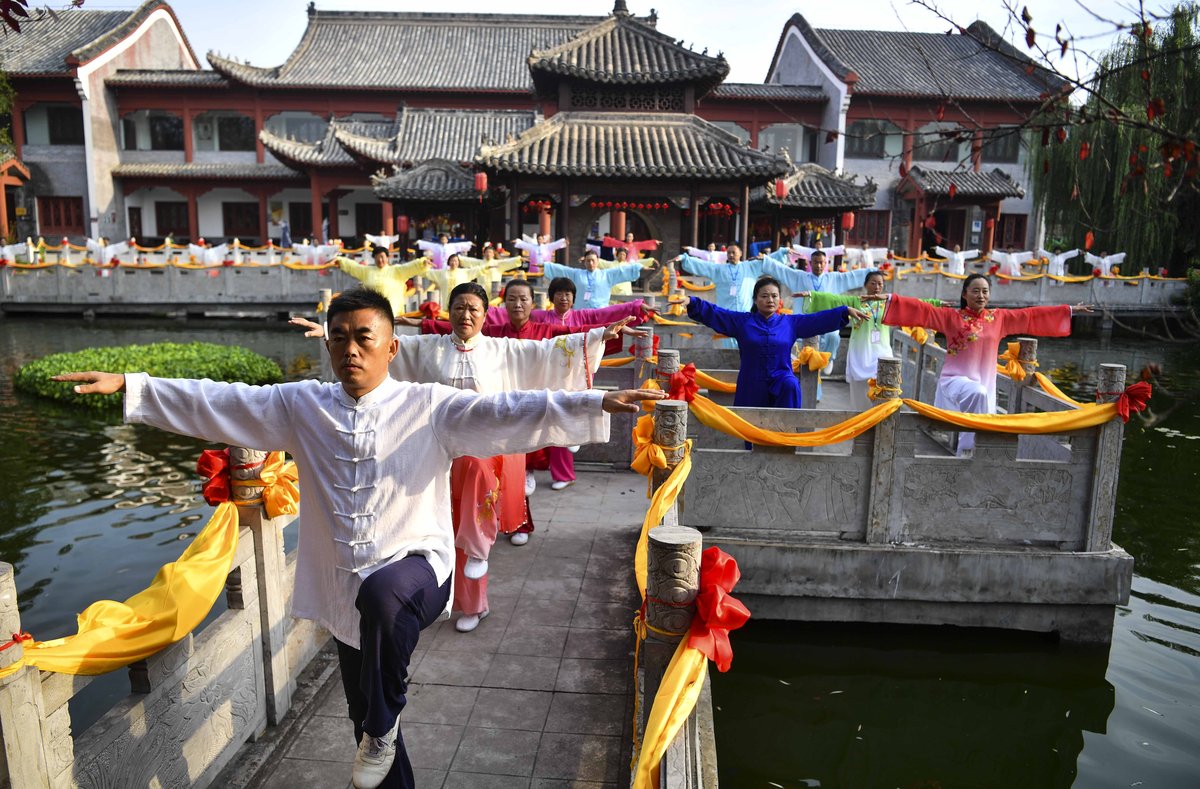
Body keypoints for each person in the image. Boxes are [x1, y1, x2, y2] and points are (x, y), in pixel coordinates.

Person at [55, 288, 662, 789]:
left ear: (392, 347)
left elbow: (505, 411)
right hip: (343, 589)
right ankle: (384, 745)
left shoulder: (429, 405)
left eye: (363, 337)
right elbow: (221, 400)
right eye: (338, 337)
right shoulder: (301, 407)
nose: (349, 349)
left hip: (418, 569)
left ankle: (382, 722)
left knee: (382, 617)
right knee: (364, 724)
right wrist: (132, 385)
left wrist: (594, 399)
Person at [292, 283, 625, 635]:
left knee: (474, 537)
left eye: (474, 310)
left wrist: (599, 336)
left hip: (485, 457)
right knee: (439, 532)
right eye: (459, 308)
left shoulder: (502, 350)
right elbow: (378, 348)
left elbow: (547, 351)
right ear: (449, 312)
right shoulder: (427, 349)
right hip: (439, 456)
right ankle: (436, 599)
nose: (466, 315)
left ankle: (474, 603)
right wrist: (333, 336)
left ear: (485, 315)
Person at [875, 273, 1091, 453]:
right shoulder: (951, 317)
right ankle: (967, 449)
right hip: (955, 380)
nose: (981, 295)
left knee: (981, 403)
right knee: (976, 394)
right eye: (976, 290)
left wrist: (1068, 311)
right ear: (964, 294)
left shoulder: (999, 319)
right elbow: (922, 310)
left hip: (984, 382)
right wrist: (892, 299)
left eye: (985, 291)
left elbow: (1030, 316)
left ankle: (967, 452)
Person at [679, 277, 868, 409]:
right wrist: (691, 301)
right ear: (755, 299)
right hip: (751, 381)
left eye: (774, 296)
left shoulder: (790, 322)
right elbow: (716, 313)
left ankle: (786, 438)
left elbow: (816, 319)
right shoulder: (742, 322)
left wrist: (844, 311)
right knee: (750, 432)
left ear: (780, 299)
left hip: (780, 376)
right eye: (764, 296)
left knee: (791, 385)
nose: (770, 300)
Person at [799, 270, 942, 410]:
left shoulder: (888, 304)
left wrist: (936, 303)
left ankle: (879, 421)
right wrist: (812, 295)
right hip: (860, 354)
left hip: (882, 354)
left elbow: (913, 305)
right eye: (873, 283)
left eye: (880, 284)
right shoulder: (856, 301)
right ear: (866, 285)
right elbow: (834, 300)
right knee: (859, 396)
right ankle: (860, 423)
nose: (877, 287)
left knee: (883, 391)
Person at [762, 249, 875, 378]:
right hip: (804, 322)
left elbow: (851, 276)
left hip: (827, 320)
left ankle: (829, 358)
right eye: (816, 262)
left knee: (833, 336)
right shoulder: (800, 277)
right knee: (805, 360)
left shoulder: (833, 278)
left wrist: (872, 271)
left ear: (826, 263)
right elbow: (782, 270)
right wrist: (765, 260)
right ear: (811, 263)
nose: (819, 266)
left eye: (822, 263)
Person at [336, 246, 430, 317]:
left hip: (393, 313)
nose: (380, 260)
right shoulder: (367, 271)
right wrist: (340, 261)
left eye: (382, 257)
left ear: (387, 257)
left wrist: (422, 263)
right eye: (377, 257)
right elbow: (354, 267)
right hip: (371, 312)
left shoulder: (396, 271)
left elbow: (409, 267)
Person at [543, 249, 647, 309]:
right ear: (585, 262)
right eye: (588, 261)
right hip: (581, 312)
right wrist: (545, 266)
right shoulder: (577, 274)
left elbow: (622, 270)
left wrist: (639, 267)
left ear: (597, 261)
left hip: (600, 312)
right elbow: (562, 270)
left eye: (593, 260)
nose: (590, 263)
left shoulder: (606, 275)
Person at [673, 243, 765, 311]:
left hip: (745, 312)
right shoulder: (719, 269)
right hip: (725, 312)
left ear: (740, 253)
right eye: (728, 253)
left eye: (733, 252)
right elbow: (703, 265)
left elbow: (770, 262)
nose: (731, 255)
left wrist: (768, 257)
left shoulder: (749, 266)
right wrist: (684, 258)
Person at [421, 252, 521, 298]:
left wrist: (518, 259)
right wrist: (423, 265)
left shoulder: (464, 272)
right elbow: (428, 273)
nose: (454, 263)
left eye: (456, 261)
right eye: (452, 261)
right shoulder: (442, 273)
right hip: (446, 300)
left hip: (493, 291)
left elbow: (476, 270)